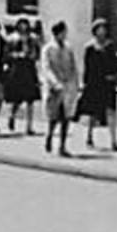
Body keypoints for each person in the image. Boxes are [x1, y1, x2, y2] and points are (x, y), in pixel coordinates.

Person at [77, 18, 117, 151]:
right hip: (94, 83)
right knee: (92, 112)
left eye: (104, 29)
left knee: (111, 110)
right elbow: (87, 66)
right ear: (95, 31)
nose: (102, 31)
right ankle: (89, 136)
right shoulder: (90, 47)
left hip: (108, 83)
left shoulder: (111, 46)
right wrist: (85, 83)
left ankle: (113, 140)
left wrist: (115, 75)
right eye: (99, 29)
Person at [40, 20, 80, 157]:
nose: (64, 35)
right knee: (53, 116)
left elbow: (74, 67)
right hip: (54, 88)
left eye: (65, 33)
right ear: (56, 34)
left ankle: (62, 146)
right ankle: (49, 135)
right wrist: (54, 83)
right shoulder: (48, 49)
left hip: (67, 87)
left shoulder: (68, 48)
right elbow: (46, 68)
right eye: (62, 33)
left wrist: (76, 83)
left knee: (66, 117)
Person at [2, 17, 40, 134]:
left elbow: (37, 53)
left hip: (29, 69)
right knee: (17, 98)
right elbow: (6, 55)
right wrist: (18, 55)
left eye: (25, 25)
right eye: (21, 25)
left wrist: (33, 55)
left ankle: (29, 126)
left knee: (30, 99)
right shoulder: (11, 38)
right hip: (17, 69)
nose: (24, 28)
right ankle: (12, 116)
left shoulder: (33, 38)